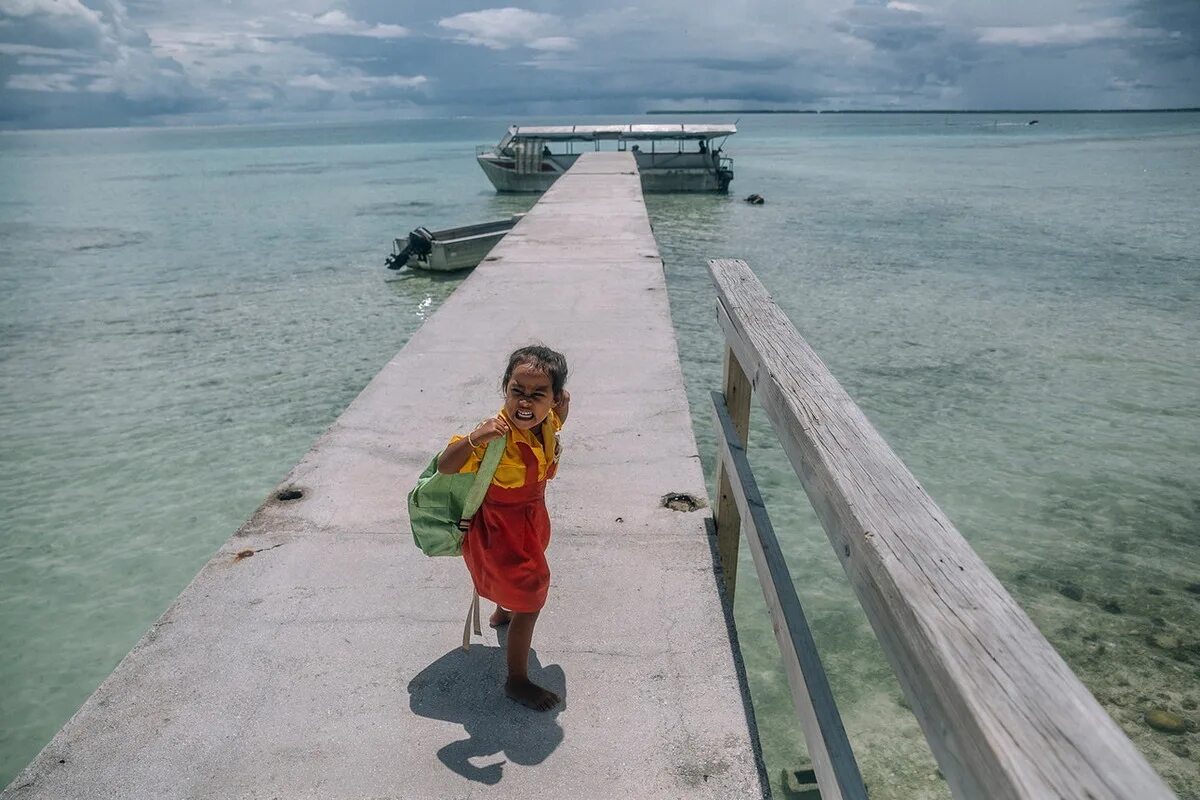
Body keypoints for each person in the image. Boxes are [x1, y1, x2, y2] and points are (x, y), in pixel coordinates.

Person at [437, 345, 570, 711]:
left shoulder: (546, 422)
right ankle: (516, 679)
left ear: (553, 399)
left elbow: (558, 418)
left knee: (520, 574)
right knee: (530, 593)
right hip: (499, 526)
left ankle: (502, 613)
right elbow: (445, 466)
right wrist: (473, 438)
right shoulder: (494, 436)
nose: (525, 402)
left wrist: (561, 409)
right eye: (517, 391)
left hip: (531, 521)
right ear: (505, 389)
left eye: (537, 394)